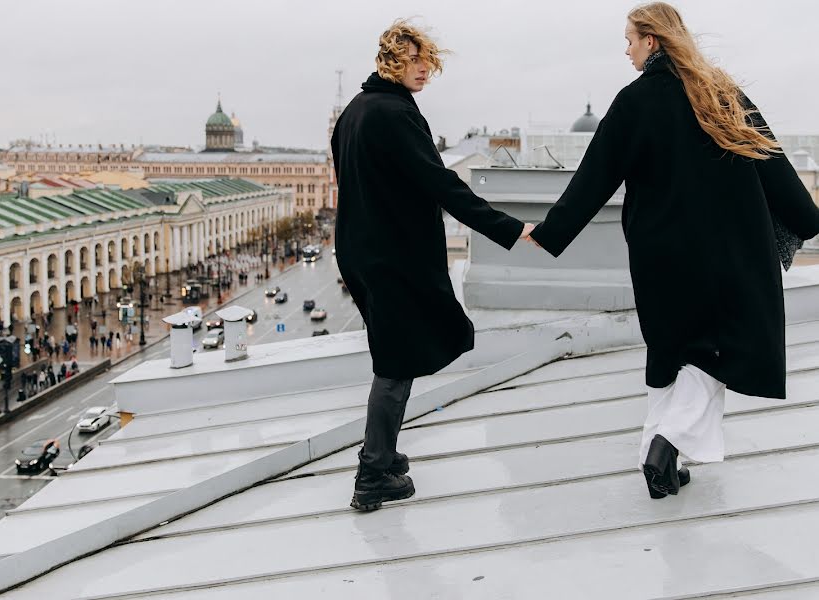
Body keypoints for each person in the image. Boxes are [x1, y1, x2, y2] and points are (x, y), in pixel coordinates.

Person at [524, 2, 819, 500]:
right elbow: (773, 163)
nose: (626, 49)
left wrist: (552, 231)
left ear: (653, 41)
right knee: (714, 351)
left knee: (669, 351)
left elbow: (594, 176)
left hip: (658, 254)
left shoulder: (634, 101)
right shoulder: (721, 93)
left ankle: (657, 462)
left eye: (630, 39)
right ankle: (666, 443)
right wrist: (808, 221)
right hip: (725, 253)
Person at [331, 19, 531, 511]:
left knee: (394, 352)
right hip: (390, 254)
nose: (424, 70)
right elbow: (439, 183)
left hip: (361, 249)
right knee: (396, 362)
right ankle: (374, 473)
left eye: (428, 63)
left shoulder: (355, 112)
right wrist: (507, 228)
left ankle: (384, 456)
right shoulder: (393, 113)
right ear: (390, 61)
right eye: (414, 61)